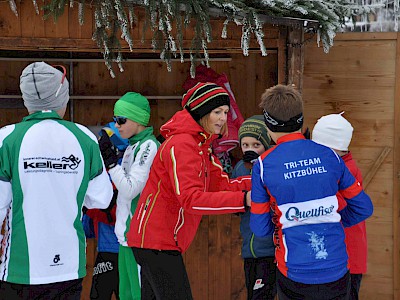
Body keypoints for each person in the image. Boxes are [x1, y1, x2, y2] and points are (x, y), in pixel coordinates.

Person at [127, 82, 252, 300]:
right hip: (156, 241)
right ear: (201, 112)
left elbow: (222, 185)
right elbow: (190, 200)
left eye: (225, 112)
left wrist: (259, 182)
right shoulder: (182, 145)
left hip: (160, 241)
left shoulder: (200, 146)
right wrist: (244, 200)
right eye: (217, 112)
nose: (223, 118)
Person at [0, 62, 113, 299]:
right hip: (68, 266)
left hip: (20, 268)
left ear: (26, 99)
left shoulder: (6, 139)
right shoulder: (84, 137)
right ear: (62, 98)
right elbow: (101, 200)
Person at [250, 84, 373, 300]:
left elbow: (260, 229)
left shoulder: (263, 165)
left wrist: (287, 224)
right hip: (336, 268)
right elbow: (363, 207)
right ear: (301, 120)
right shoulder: (330, 155)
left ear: (268, 124)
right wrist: (330, 219)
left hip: (294, 271)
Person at [99, 92, 160, 300]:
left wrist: (110, 162)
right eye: (115, 120)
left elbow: (130, 188)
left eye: (121, 120)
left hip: (139, 239)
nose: (117, 125)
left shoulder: (148, 146)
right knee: (126, 295)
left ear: (138, 119)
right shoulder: (132, 146)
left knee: (139, 295)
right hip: (125, 238)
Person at [312, 112, 368, 300]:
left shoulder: (344, 171)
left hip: (346, 258)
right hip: (341, 256)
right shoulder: (338, 167)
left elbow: (333, 208)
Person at [83, 122, 129, 300]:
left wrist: (86, 211)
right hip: (121, 249)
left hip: (113, 249)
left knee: (99, 295)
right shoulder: (125, 169)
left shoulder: (114, 172)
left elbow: (106, 210)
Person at [232, 115, 277, 300]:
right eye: (245, 145)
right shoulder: (239, 168)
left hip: (269, 250)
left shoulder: (272, 166)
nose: (250, 150)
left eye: (256, 145)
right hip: (249, 250)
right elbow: (234, 201)